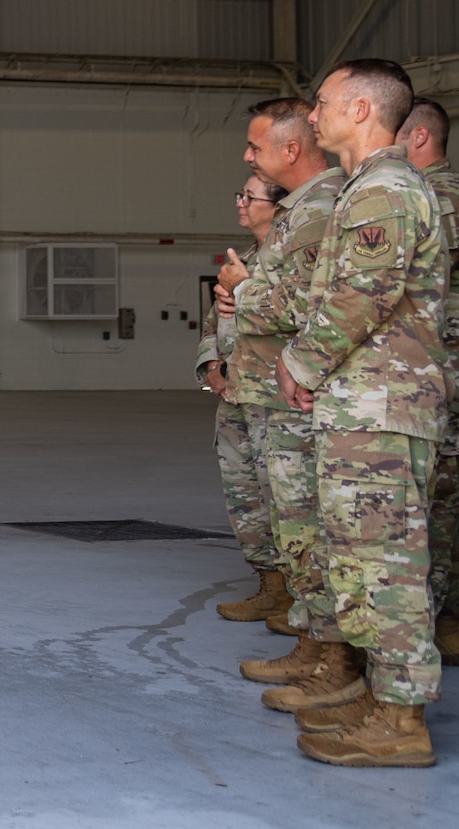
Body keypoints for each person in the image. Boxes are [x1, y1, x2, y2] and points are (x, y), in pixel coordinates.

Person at [272, 60, 447, 767]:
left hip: (383, 407)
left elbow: (360, 298)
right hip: (363, 404)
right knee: (360, 560)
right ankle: (381, 694)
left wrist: (300, 363)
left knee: (387, 564)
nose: (314, 117)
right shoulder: (364, 189)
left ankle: (402, 719)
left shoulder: (386, 192)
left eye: (323, 104)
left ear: (364, 109)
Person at [216, 99, 344, 688]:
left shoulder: (320, 209)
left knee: (309, 528)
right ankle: (313, 640)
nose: (247, 155)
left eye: (255, 145)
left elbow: (303, 308)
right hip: (266, 385)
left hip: (294, 394)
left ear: (289, 150)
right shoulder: (302, 210)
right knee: (291, 524)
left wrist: (243, 292)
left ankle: (328, 654)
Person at [197, 173, 286, 621]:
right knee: (244, 493)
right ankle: (271, 587)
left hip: (275, 396)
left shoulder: (289, 259)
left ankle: (304, 601)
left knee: (284, 495)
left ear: (278, 204)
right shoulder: (243, 259)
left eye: (249, 197)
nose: (240, 203)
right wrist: (211, 367)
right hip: (233, 396)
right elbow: (213, 322)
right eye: (240, 195)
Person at [398, 98, 459, 668]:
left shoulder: (437, 198)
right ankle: (447, 614)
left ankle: (440, 618)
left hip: (448, 371)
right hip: (445, 367)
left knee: (437, 501)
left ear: (418, 137)